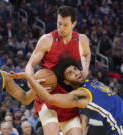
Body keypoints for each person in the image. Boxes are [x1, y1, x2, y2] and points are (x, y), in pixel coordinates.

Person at [12, 58, 123, 135]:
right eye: (71, 73)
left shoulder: (90, 82)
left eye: (75, 69)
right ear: (66, 82)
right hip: (122, 128)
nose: (76, 72)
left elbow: (85, 54)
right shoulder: (80, 95)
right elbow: (50, 98)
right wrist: (29, 78)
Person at [25, 5, 91, 135]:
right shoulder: (47, 40)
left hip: (69, 99)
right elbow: (30, 65)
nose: (61, 28)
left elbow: (87, 54)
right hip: (48, 96)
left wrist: (85, 70)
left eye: (65, 25)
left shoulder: (81, 40)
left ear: (74, 24)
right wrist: (31, 81)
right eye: (59, 23)